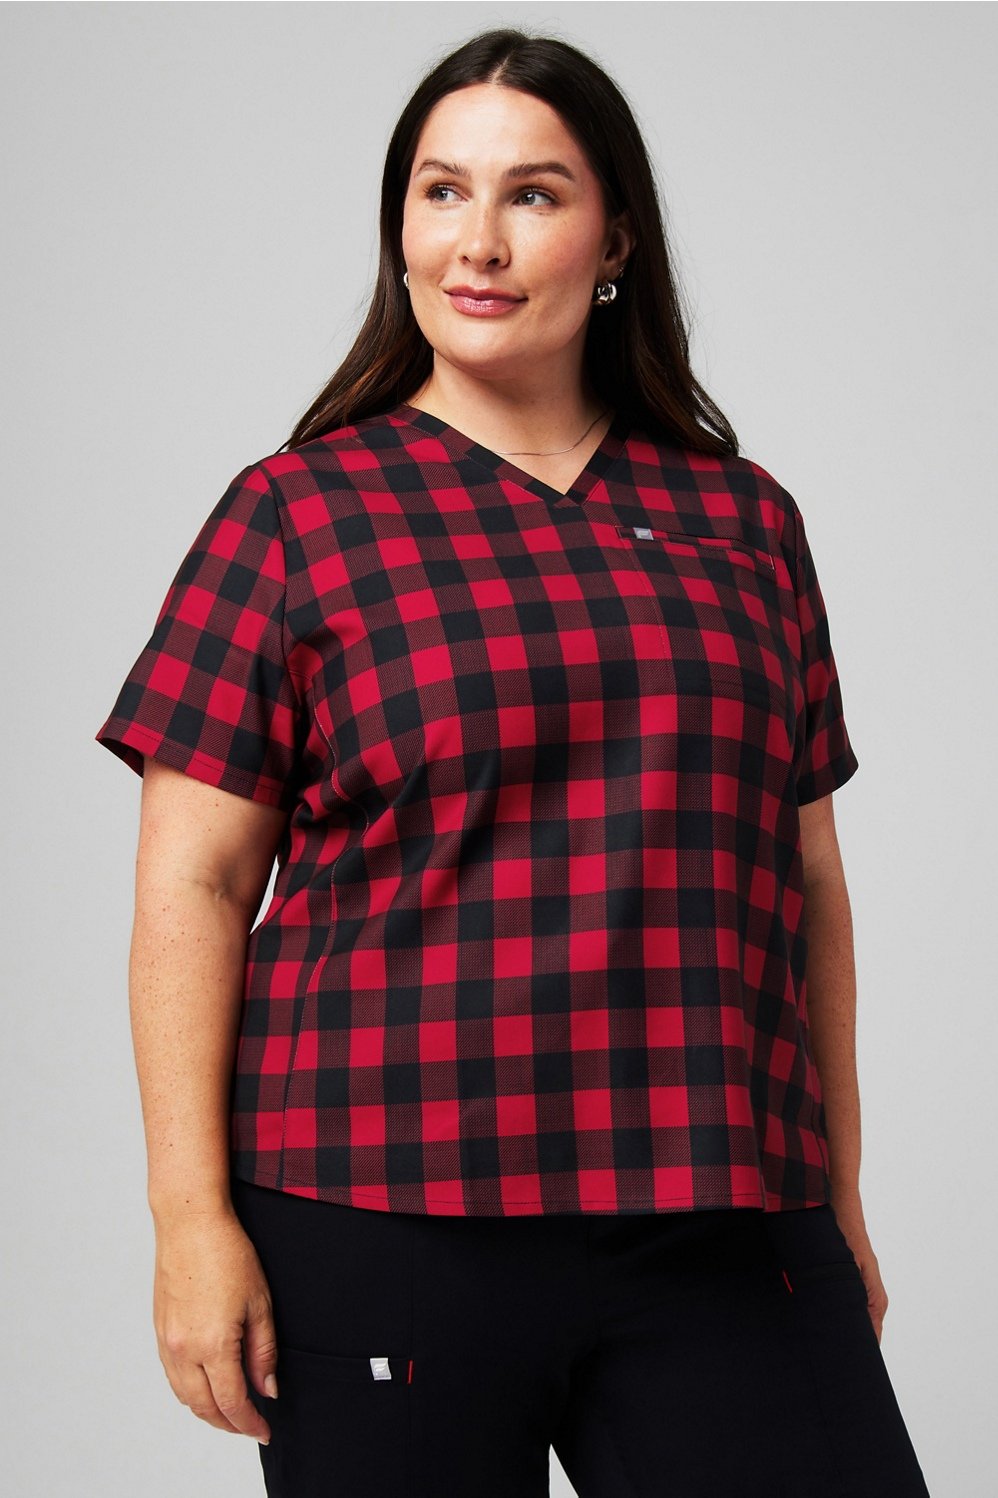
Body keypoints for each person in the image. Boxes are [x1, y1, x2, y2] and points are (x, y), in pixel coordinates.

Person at [93, 26, 932, 1498]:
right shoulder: (295, 517)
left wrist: (835, 1193)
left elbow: (805, 885)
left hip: (720, 1208)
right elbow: (196, 888)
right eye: (441, 191)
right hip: (379, 1207)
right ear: (399, 226)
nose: (476, 241)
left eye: (533, 194)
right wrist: (189, 1221)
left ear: (616, 239)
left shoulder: (744, 520)